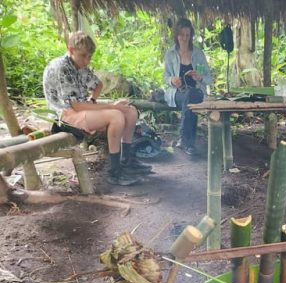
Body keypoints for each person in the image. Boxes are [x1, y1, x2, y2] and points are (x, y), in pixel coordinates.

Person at [43, 31, 152, 186]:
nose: (87, 61)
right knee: (116, 115)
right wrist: (111, 106)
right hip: (63, 117)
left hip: (79, 110)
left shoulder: (79, 64)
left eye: (89, 57)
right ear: (71, 49)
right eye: (83, 56)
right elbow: (75, 105)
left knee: (130, 111)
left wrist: (93, 100)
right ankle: (115, 172)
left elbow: (98, 84)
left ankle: (128, 162)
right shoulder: (62, 67)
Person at [163, 18, 213, 156]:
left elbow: (209, 78)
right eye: (181, 35)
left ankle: (184, 141)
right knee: (189, 98)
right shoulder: (170, 53)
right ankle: (188, 143)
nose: (184, 38)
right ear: (176, 35)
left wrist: (200, 77)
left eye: (187, 35)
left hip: (196, 92)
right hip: (177, 93)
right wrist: (172, 80)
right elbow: (165, 77)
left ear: (191, 36)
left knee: (192, 95)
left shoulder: (198, 53)